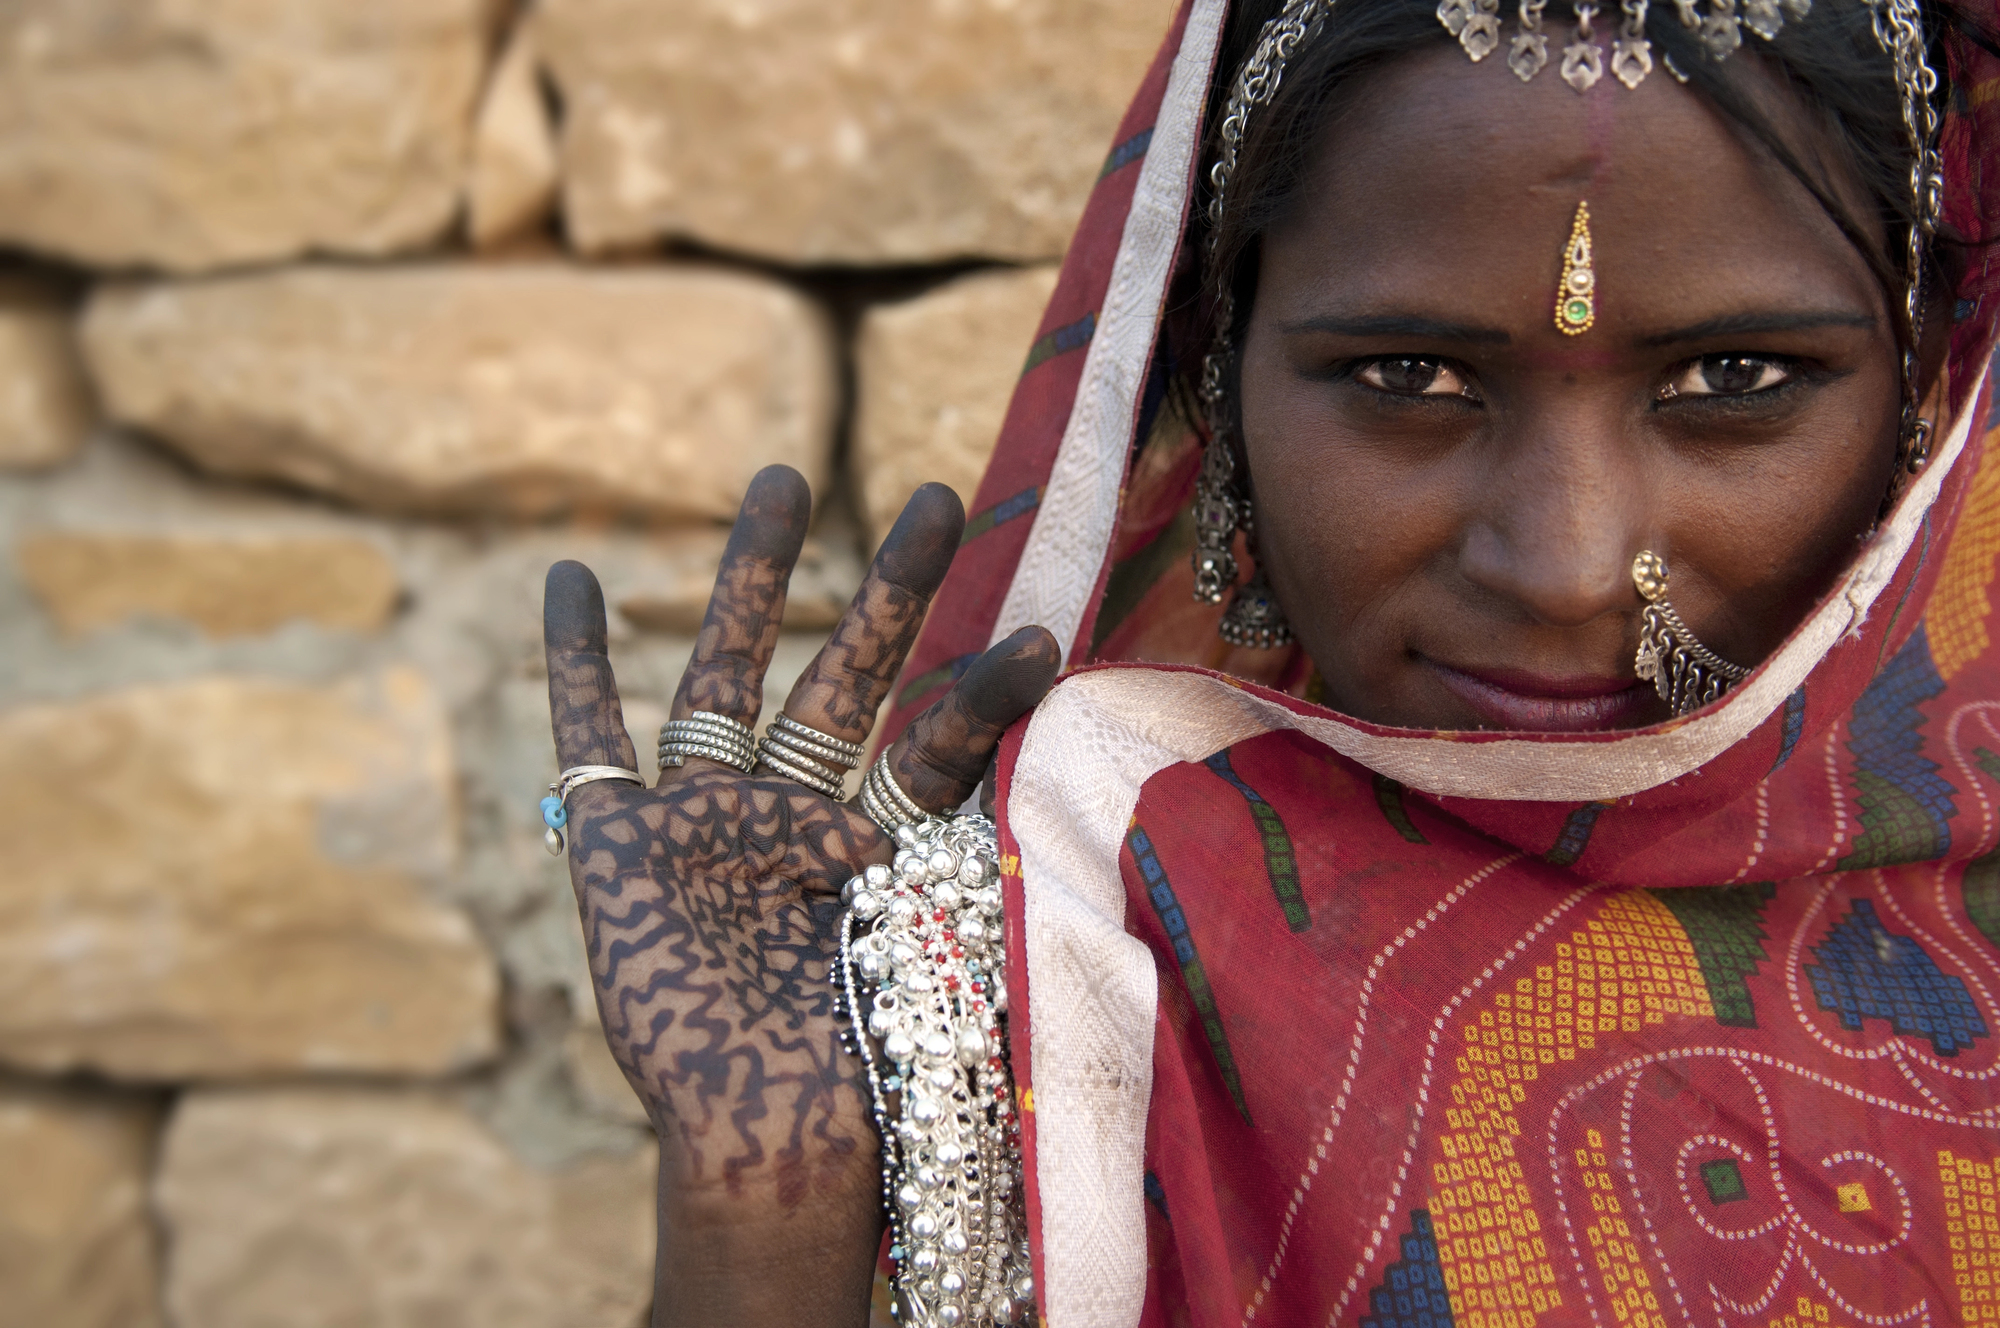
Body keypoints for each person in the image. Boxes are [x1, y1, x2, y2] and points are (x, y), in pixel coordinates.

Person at [541, 0, 2000, 1321]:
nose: (1561, 569)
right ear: (1220, 397)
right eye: (1409, 378)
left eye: (1732, 380)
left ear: (1926, 396)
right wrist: (764, 1216)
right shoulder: (1042, 965)